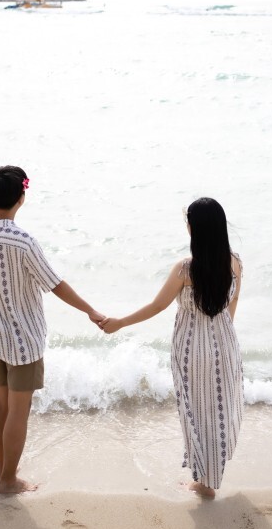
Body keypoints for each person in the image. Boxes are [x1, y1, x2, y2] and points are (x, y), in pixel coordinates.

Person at [0, 165, 105, 494]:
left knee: (0, 405)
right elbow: (55, 285)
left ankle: (3, 471)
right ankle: (8, 480)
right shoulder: (23, 241)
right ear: (21, 198)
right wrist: (91, 311)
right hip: (24, 340)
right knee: (18, 411)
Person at [100, 197, 243, 498]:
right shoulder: (234, 263)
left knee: (195, 410)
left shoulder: (185, 269)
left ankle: (204, 482)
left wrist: (120, 322)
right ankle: (208, 477)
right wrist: (220, 339)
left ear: (193, 228)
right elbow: (233, 304)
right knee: (218, 408)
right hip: (224, 344)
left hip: (191, 349)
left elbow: (157, 306)